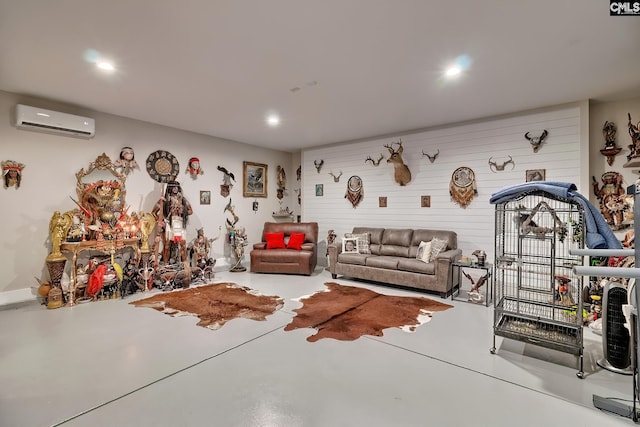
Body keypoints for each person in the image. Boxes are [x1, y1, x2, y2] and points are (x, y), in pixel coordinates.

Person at [153, 181, 193, 263]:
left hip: (179, 224)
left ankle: (185, 266)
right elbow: (154, 212)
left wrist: (183, 211)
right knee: (167, 246)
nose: (175, 188)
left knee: (182, 245)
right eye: (173, 186)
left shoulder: (183, 200)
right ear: (170, 188)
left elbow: (190, 211)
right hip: (169, 224)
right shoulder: (164, 200)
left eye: (176, 187)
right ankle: (165, 265)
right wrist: (161, 222)